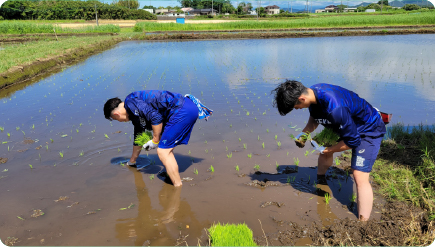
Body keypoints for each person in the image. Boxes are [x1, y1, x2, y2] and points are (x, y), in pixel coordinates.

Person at [271, 80, 386, 221]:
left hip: (368, 129)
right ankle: (320, 180)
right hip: (347, 123)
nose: (296, 109)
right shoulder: (312, 94)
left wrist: (329, 149)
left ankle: (363, 223)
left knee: (359, 176)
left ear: (301, 98)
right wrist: (304, 134)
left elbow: (353, 141)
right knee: (325, 149)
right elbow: (315, 118)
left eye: (295, 106)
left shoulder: (335, 108)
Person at [104, 90, 212, 187]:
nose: (120, 121)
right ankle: (171, 174)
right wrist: (132, 162)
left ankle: (177, 186)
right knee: (166, 148)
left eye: (116, 119)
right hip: (186, 108)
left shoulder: (130, 102)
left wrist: (155, 140)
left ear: (116, 114)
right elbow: (138, 138)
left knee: (163, 152)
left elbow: (156, 118)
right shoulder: (134, 113)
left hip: (182, 110)